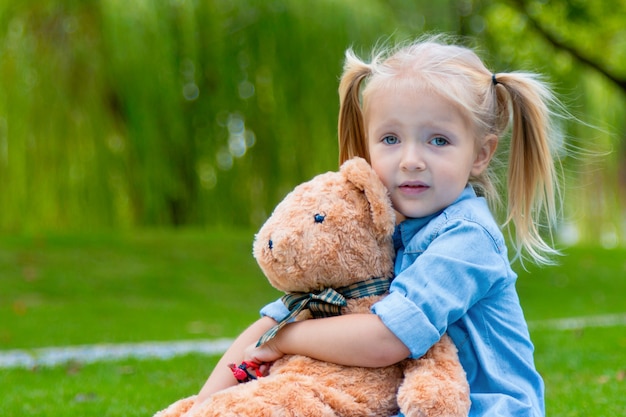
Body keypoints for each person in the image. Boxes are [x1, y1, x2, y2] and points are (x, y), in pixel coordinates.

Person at [186, 35, 564, 416]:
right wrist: (203, 405)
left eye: (438, 140)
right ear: (368, 146)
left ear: (480, 154)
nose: (411, 159)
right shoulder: (369, 227)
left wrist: (287, 339)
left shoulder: (467, 237)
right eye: (390, 139)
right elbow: (281, 316)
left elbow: (389, 339)